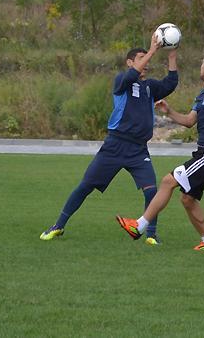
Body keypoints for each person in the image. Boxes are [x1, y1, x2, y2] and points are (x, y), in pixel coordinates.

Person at [40, 33, 178, 244]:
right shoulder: (121, 81)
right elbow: (131, 76)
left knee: (152, 191)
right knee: (85, 186)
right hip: (115, 146)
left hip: (138, 150)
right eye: (141, 58)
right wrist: (152, 50)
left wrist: (172, 55)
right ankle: (58, 226)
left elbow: (171, 83)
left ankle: (151, 235)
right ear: (130, 62)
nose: (147, 63)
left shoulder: (150, 86)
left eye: (147, 59)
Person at [117, 52, 204, 250]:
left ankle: (138, 226)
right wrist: (169, 111)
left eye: (202, 63)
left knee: (168, 181)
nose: (200, 66)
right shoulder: (203, 94)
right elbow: (189, 121)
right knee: (188, 199)